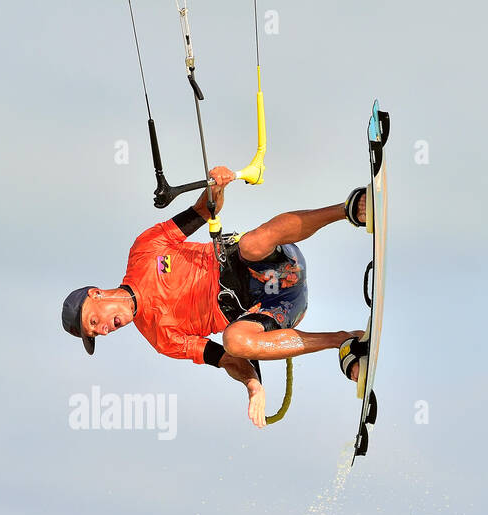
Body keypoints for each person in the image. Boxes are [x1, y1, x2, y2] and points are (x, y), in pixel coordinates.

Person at [61, 167, 370, 428]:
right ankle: (345, 341)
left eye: (93, 321)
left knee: (250, 243)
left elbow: (202, 210)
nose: (104, 330)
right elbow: (226, 359)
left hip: (273, 265)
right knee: (234, 340)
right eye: (97, 334)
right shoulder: (161, 338)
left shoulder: (144, 250)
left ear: (96, 294)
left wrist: (217, 187)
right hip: (275, 309)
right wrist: (253, 385)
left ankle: (350, 209)